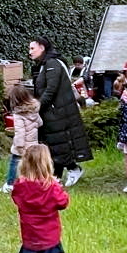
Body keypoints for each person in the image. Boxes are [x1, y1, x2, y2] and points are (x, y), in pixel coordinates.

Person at [30, 38, 92, 186]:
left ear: (42, 48)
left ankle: (73, 169)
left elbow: (50, 90)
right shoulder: (44, 65)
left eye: (32, 48)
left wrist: (37, 106)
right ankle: (56, 176)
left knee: (59, 143)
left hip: (58, 111)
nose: (30, 52)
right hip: (52, 111)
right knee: (54, 144)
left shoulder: (52, 64)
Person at [11, 144, 70, 253]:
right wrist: (59, 187)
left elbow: (16, 199)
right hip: (50, 235)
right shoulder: (52, 187)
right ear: (47, 164)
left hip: (29, 235)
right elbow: (63, 202)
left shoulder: (20, 186)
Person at [3, 83, 41, 193]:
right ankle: (33, 183)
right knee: (32, 165)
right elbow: (40, 123)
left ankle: (10, 184)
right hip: (33, 144)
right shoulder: (34, 110)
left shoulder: (19, 114)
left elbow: (20, 132)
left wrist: (19, 146)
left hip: (22, 145)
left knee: (14, 163)